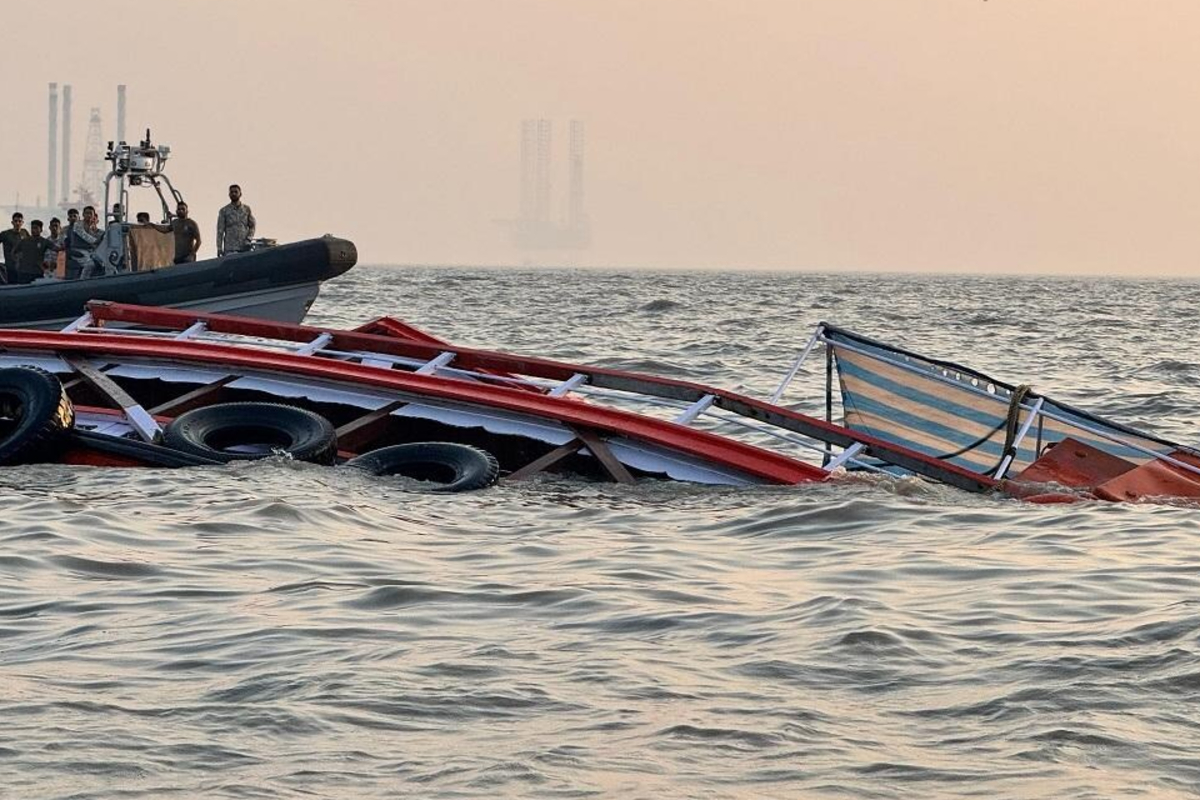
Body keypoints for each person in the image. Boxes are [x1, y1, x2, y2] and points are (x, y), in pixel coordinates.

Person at [216, 184, 255, 256]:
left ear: (240, 194)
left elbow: (252, 226)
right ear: (229, 194)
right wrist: (219, 248)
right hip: (230, 248)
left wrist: (249, 238)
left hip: (245, 247)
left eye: (236, 192)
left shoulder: (246, 209)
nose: (233, 194)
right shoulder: (224, 211)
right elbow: (220, 231)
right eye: (231, 192)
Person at [67, 206, 103, 280]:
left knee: (103, 261)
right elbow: (84, 236)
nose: (88, 215)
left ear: (93, 215)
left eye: (90, 213)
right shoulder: (78, 225)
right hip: (78, 250)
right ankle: (83, 280)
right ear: (83, 214)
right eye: (87, 213)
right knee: (90, 264)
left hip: (90, 251)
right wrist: (96, 241)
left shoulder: (93, 227)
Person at [0, 213, 29, 284]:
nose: (17, 223)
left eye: (19, 221)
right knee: (13, 285)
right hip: (10, 267)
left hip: (23, 267)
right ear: (12, 222)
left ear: (22, 222)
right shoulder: (5, 234)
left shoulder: (24, 232)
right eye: (15, 221)